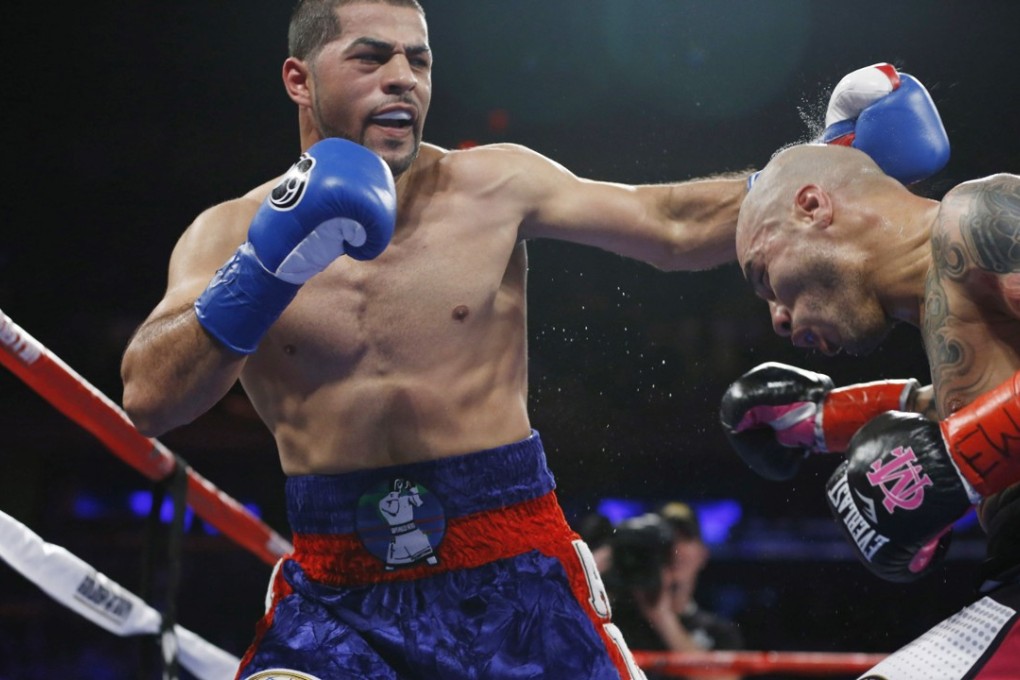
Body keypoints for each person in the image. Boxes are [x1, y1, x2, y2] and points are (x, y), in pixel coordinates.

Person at [117, 0, 944, 674]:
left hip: (513, 565)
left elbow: (669, 222)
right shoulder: (229, 233)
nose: (403, 78)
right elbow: (151, 399)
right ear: (299, 78)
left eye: (419, 59)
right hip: (340, 586)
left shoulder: (493, 183)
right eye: (371, 58)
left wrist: (826, 165)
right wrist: (271, 260)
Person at [719, 142, 1020, 679]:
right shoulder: (956, 315)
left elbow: (966, 442)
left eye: (763, 276)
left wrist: (959, 456)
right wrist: (820, 420)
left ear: (812, 206)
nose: (777, 322)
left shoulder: (980, 218)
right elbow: (970, 413)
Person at [608, 504, 743, 680]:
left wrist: (662, 617)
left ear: (702, 554)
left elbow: (725, 679)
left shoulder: (720, 632)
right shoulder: (614, 621)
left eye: (685, 539)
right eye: (668, 541)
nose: (675, 550)